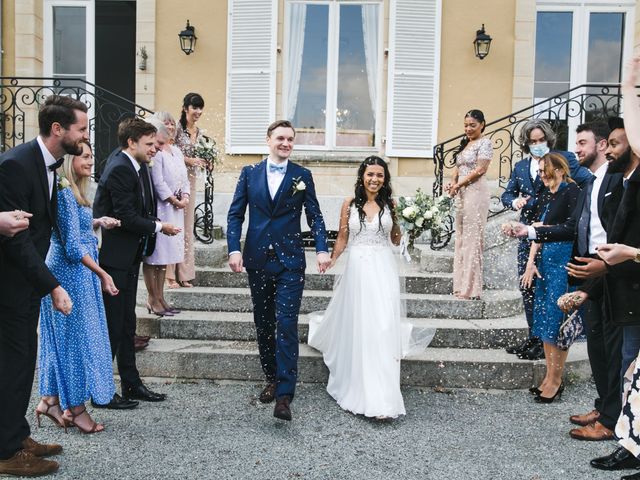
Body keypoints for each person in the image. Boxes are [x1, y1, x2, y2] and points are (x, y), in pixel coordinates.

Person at [510, 122, 623, 439]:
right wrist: (529, 233)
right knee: (595, 345)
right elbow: (562, 225)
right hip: (577, 267)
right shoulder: (582, 186)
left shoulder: (589, 185)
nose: (577, 149)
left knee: (607, 346)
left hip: (593, 267)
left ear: (601, 146)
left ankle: (611, 418)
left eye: (583, 143)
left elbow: (575, 228)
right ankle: (604, 408)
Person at [0, 95, 84, 476]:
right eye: (81, 129)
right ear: (57, 129)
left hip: (25, 285)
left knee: (23, 363)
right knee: (13, 366)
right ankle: (6, 452)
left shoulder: (49, 165)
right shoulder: (16, 165)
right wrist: (52, 285)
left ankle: (16, 435)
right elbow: (16, 240)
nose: (85, 136)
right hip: (10, 285)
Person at [227, 119, 330, 421]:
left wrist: (322, 249)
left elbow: (315, 216)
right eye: (281, 138)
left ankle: (285, 395)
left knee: (285, 324)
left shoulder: (302, 175)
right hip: (258, 260)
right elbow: (235, 215)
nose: (286, 144)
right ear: (268, 140)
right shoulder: (249, 174)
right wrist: (234, 248)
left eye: (290, 140)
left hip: (290, 262)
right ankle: (272, 377)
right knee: (263, 322)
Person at [308, 156, 408, 419]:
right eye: (370, 174)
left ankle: (384, 395)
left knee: (384, 325)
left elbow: (395, 239)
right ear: (362, 176)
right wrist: (331, 258)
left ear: (385, 179)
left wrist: (410, 224)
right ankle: (362, 389)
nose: (375, 179)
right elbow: (343, 237)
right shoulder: (349, 204)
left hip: (384, 267)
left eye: (380, 175)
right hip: (359, 269)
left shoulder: (391, 205)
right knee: (364, 325)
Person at [93, 117, 181, 409]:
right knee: (112, 326)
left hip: (130, 255)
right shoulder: (119, 168)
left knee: (127, 324)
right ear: (131, 143)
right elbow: (127, 216)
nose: (154, 148)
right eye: (148, 144)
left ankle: (131, 384)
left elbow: (143, 205)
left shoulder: (138, 164)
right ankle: (102, 391)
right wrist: (160, 227)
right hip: (114, 258)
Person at [37, 141, 119, 435]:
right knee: (74, 343)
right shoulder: (64, 193)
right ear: (70, 160)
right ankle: (77, 409)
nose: (90, 160)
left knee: (60, 339)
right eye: (85, 156)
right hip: (70, 273)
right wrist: (102, 274)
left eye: (92, 155)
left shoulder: (74, 194)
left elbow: (74, 230)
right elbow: (72, 247)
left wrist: (96, 221)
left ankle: (50, 400)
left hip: (76, 272)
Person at [501, 118, 591, 358]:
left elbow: (585, 181)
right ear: (526, 143)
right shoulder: (520, 167)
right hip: (527, 236)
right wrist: (513, 201)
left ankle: (547, 341)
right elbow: (507, 193)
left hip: (556, 238)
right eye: (533, 141)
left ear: (549, 140)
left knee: (551, 292)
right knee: (528, 287)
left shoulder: (564, 160)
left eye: (541, 140)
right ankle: (534, 337)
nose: (538, 144)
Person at [520, 153, 579, 403]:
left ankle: (556, 379)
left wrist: (536, 231)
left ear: (560, 169)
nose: (542, 175)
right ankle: (548, 376)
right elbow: (540, 227)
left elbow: (570, 228)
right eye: (540, 171)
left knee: (556, 322)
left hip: (562, 261)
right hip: (545, 261)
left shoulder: (571, 191)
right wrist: (531, 263)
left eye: (546, 170)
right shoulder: (548, 194)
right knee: (544, 320)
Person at [142, 118, 188, 316]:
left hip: (176, 209)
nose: (171, 129)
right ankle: (153, 298)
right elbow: (158, 181)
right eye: (166, 127)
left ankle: (161, 297)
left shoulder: (176, 151)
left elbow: (184, 177)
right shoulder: (157, 155)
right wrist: (172, 199)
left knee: (166, 258)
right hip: (162, 208)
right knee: (156, 256)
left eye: (172, 127)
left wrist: (184, 196)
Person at [445, 109, 492, 300]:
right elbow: (457, 169)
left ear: (482, 124)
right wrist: (452, 182)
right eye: (465, 125)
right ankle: (460, 285)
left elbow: (481, 169)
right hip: (461, 192)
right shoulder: (466, 145)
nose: (468, 129)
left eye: (472, 125)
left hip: (475, 192)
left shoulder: (485, 143)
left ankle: (471, 289)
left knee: (473, 239)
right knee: (462, 238)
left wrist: (459, 184)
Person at [167, 93, 208, 289]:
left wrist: (206, 161)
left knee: (187, 227)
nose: (198, 112)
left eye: (200, 108)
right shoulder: (175, 128)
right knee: (174, 225)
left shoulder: (199, 132)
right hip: (174, 180)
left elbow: (198, 155)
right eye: (195, 107)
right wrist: (188, 160)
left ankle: (184, 274)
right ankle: (169, 275)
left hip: (190, 181)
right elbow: (167, 152)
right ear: (185, 108)